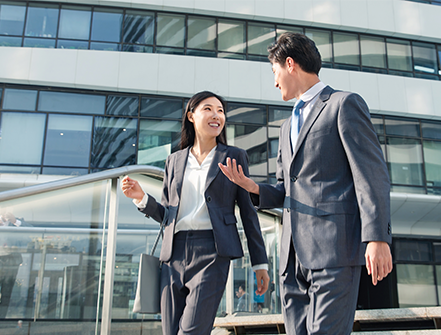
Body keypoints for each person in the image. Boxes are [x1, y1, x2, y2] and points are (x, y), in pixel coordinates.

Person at [219, 33, 393, 335]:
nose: (275, 83)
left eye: (275, 72)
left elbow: (371, 174)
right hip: (292, 258)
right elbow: (286, 188)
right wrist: (253, 187)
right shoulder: (286, 125)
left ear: (290, 64)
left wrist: (377, 237)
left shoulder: (343, 104)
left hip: (334, 250)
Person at [121, 91, 270, 335]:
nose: (216, 115)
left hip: (212, 253)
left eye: (221, 111)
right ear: (191, 116)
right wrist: (141, 198)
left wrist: (259, 262)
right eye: (208, 109)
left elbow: (248, 212)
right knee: (171, 331)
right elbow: (168, 215)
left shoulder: (234, 156)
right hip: (173, 255)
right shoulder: (174, 160)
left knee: (191, 331)